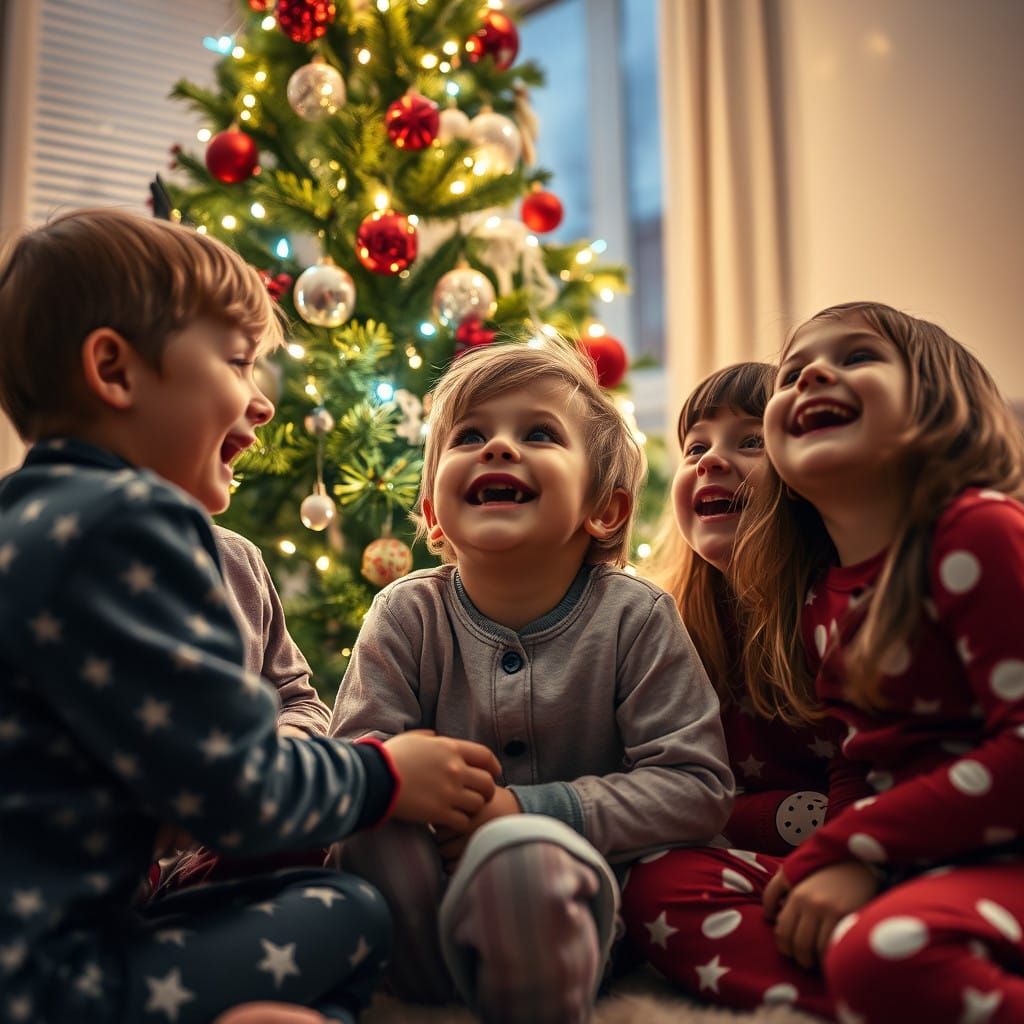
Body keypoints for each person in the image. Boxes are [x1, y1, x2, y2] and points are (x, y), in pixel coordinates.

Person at [0, 207, 501, 1024]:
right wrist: (389, 773)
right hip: (56, 977)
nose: (260, 404)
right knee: (351, 913)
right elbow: (237, 796)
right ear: (113, 370)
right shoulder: (141, 525)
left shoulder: (25, 521)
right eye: (237, 362)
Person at [328, 339, 734, 1024]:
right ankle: (429, 997)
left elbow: (698, 788)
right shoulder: (404, 613)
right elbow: (353, 766)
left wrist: (530, 812)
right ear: (431, 512)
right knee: (370, 831)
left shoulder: (635, 617)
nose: (498, 449)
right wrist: (398, 776)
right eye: (471, 436)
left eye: (538, 433)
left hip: (565, 904)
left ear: (604, 510)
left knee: (519, 859)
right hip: (423, 895)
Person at [620, 363, 849, 1015]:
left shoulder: (845, 610)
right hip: (752, 872)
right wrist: (776, 814)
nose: (712, 461)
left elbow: (886, 778)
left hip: (867, 859)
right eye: (696, 447)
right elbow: (665, 802)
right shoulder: (660, 622)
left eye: (750, 442)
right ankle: (865, 988)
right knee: (654, 888)